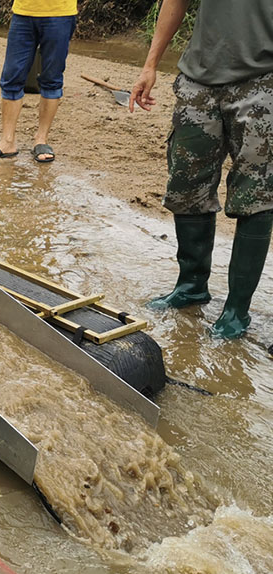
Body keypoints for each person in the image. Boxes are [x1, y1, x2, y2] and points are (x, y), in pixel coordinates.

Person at [130, 0, 273, 339]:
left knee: (256, 195)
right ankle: (191, 286)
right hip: (198, 80)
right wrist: (150, 64)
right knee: (186, 185)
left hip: (263, 83)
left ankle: (237, 309)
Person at [0, 0, 77, 163]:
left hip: (60, 13)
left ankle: (41, 139)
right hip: (23, 12)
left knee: (52, 79)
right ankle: (7, 141)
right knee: (11, 77)